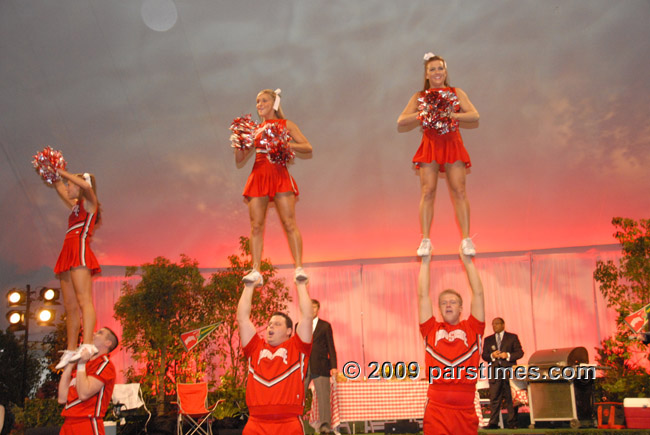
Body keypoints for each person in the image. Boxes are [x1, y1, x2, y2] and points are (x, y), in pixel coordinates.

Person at [397, 52, 480, 258]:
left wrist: (452, 114)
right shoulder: (420, 96)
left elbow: (474, 115)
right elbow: (401, 120)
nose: (437, 72)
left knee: (459, 190)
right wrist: (424, 113)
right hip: (431, 144)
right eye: (432, 69)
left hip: (452, 143)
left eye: (440, 68)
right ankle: (425, 239)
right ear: (426, 74)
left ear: (445, 71)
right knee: (428, 191)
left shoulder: (456, 92)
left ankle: (466, 239)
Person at [234, 89, 313, 286]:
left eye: (264, 100)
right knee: (256, 226)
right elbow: (240, 159)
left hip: (279, 176)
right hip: (259, 175)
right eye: (257, 101)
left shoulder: (286, 125)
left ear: (274, 103)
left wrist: (285, 143)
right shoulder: (254, 129)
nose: (259, 104)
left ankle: (299, 268)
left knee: (289, 223)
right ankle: (255, 270)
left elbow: (307, 147)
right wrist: (239, 142)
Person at [417, 250, 485, 435]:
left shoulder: (473, 328)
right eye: (444, 302)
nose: (448, 304)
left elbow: (478, 293)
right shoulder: (431, 329)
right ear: (438, 309)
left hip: (465, 409)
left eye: (453, 302)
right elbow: (423, 295)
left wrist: (468, 262)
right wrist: (425, 261)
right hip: (436, 408)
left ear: (462, 308)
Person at [237, 275, 313, 435]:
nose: (271, 327)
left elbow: (307, 317)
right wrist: (248, 287)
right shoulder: (255, 347)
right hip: (256, 423)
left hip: (288, 423)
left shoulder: (297, 347)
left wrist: (301, 285)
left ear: (289, 331)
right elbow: (243, 319)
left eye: (277, 324)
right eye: (270, 324)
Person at [49, 169, 102, 369]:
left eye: (71, 184)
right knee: (70, 306)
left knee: (83, 300)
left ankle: (87, 343)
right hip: (67, 252)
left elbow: (87, 187)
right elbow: (60, 188)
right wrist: (53, 174)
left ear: (79, 186)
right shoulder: (76, 207)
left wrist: (62, 171)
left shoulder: (90, 203)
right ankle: (72, 348)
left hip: (79, 251)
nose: (68, 186)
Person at [57, 327, 118, 435]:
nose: (93, 333)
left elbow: (84, 394)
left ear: (108, 343)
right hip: (68, 423)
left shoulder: (105, 365)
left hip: (87, 422)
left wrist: (81, 365)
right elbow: (62, 398)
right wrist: (69, 365)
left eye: (100, 333)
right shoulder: (86, 364)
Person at [481, 318, 524, 429]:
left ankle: (512, 423)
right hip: (494, 372)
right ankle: (493, 423)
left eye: (497, 324)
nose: (495, 326)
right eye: (493, 324)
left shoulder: (512, 337)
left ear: (503, 325)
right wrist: (492, 356)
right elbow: (484, 355)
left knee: (510, 397)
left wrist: (508, 355)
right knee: (494, 397)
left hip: (509, 371)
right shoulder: (488, 339)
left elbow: (520, 353)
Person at [305, 299, 337, 435]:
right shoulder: (300, 325)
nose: (312, 310)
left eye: (314, 308)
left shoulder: (325, 326)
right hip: (304, 368)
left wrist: (334, 366)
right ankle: (294, 425)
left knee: (324, 398)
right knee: (297, 397)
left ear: (318, 309)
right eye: (309, 307)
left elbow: (331, 346)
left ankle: (325, 428)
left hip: (322, 366)